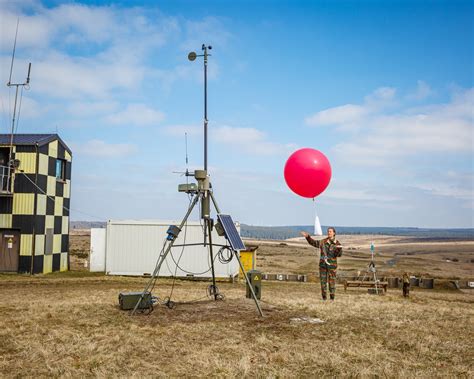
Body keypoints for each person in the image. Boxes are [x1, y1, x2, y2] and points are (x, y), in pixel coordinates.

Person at [301, 228, 343, 300]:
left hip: (332, 266)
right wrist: (308, 237)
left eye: (330, 231)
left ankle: (332, 298)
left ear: (334, 233)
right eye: (328, 231)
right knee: (323, 282)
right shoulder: (323, 242)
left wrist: (339, 250)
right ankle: (324, 298)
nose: (329, 233)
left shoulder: (337, 244)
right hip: (323, 265)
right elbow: (313, 243)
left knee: (332, 282)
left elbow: (339, 255)